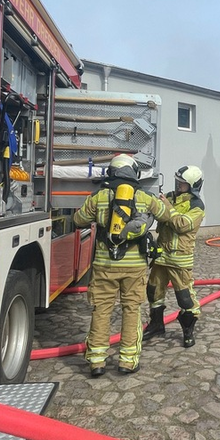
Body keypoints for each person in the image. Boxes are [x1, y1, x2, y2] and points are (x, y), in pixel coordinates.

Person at [73, 154, 173, 377]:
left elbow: (78, 220)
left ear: (111, 172)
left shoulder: (99, 196)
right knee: (131, 310)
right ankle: (127, 362)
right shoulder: (144, 197)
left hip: (103, 265)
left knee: (101, 310)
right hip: (134, 266)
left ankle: (97, 362)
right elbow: (165, 215)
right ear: (134, 172)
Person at [143, 165, 206, 348]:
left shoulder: (196, 206)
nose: (178, 186)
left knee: (185, 298)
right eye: (178, 182)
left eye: (183, 184)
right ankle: (156, 325)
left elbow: (181, 224)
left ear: (193, 186)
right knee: (153, 291)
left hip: (180, 259)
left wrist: (168, 208)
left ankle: (188, 332)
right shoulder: (169, 196)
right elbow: (158, 213)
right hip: (161, 255)